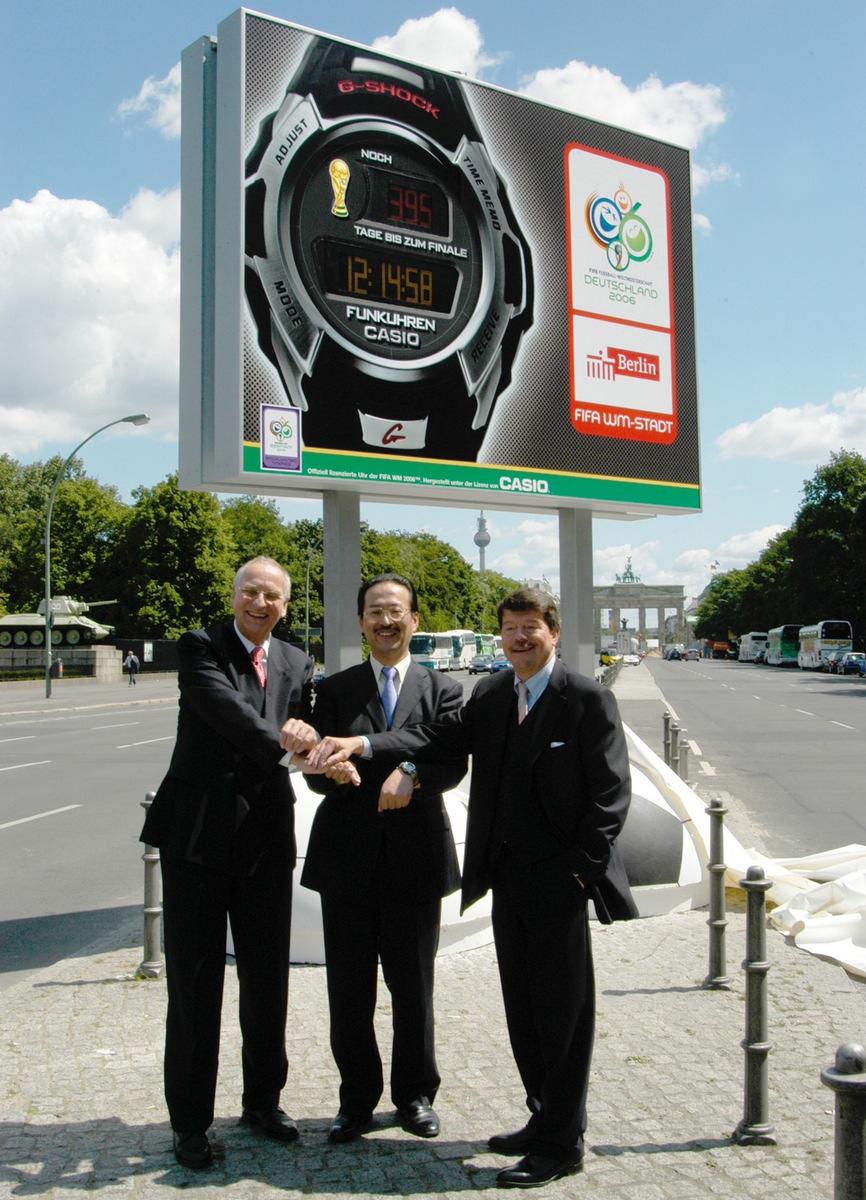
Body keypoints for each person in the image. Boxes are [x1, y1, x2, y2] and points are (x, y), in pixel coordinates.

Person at [310, 586, 637, 1188]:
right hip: (507, 879)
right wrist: (374, 748)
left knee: (564, 1014)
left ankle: (564, 1142)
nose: (519, 638)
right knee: (524, 1009)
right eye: (510, 628)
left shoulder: (585, 697)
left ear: (553, 633)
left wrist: (579, 871)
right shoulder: (491, 694)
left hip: (560, 882)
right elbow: (437, 742)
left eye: (530, 627)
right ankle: (543, 1117)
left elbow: (612, 794)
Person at [140, 556, 336, 1169]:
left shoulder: (297, 661)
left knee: (266, 979)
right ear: (234, 597)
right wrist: (290, 743)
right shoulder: (199, 646)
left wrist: (331, 751)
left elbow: (315, 724)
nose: (261, 603)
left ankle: (262, 1101)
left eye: (272, 596)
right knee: (195, 986)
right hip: (196, 840)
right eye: (251, 592)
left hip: (265, 838)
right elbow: (229, 714)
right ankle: (191, 1124)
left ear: (283, 604)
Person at [299, 573, 467, 1144]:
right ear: (361, 622)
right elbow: (318, 770)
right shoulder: (336, 690)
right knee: (348, 990)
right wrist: (332, 770)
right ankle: (356, 1101)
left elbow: (448, 754)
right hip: (346, 860)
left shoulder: (445, 689)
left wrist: (408, 768)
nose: (386, 621)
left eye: (396, 611)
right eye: (375, 612)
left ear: (415, 621)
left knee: (413, 988)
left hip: (416, 860)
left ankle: (415, 1094)